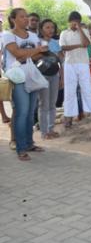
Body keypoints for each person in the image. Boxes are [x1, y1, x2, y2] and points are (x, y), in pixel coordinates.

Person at [2, 8, 48, 160]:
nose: (26, 19)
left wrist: (30, 53)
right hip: (17, 77)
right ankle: (20, 148)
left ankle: (29, 143)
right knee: (22, 112)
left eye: (26, 16)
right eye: (22, 17)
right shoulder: (8, 35)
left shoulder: (33, 35)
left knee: (30, 113)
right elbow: (16, 53)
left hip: (32, 75)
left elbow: (41, 54)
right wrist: (35, 51)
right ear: (13, 19)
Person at [60, 11, 91, 127]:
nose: (74, 24)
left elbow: (86, 44)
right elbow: (63, 47)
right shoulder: (64, 33)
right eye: (73, 22)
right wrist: (78, 46)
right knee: (69, 91)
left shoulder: (85, 31)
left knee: (87, 89)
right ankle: (69, 118)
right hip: (69, 64)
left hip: (83, 63)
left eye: (77, 22)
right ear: (69, 22)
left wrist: (80, 29)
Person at [37, 19, 62, 139]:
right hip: (42, 76)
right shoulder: (37, 42)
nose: (50, 30)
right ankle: (43, 132)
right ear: (41, 29)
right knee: (43, 104)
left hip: (55, 76)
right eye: (47, 27)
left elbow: (59, 62)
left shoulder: (55, 43)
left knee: (52, 104)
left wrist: (61, 77)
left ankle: (51, 129)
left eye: (52, 27)